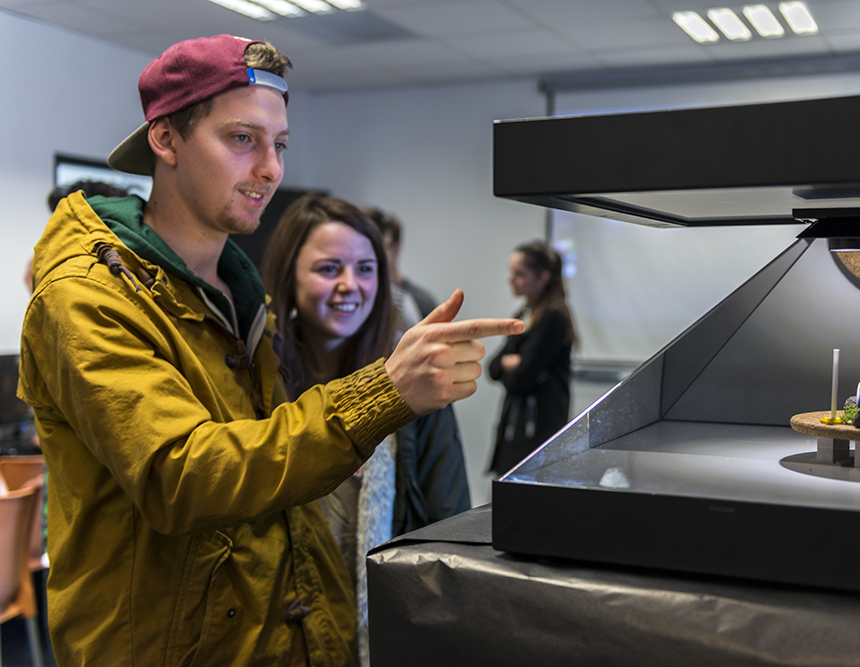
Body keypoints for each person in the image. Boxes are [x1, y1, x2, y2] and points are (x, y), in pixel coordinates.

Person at [17, 34, 521, 666]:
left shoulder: (235, 290)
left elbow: (274, 505)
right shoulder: (86, 300)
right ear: (165, 139)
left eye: (278, 144)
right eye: (242, 139)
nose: (270, 170)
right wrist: (382, 393)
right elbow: (185, 476)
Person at [262, 194, 470, 666]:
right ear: (289, 275)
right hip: (281, 631)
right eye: (329, 269)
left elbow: (448, 521)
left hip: (383, 631)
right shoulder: (258, 383)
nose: (349, 286)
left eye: (366, 269)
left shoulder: (417, 387)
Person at [488, 241, 576, 476]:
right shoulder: (524, 314)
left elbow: (520, 380)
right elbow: (493, 367)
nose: (510, 278)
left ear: (542, 278)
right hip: (516, 427)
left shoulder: (554, 318)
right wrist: (510, 364)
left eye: (519, 273)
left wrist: (516, 366)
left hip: (536, 431)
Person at [364, 206, 437, 329]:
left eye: (379, 248)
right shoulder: (358, 298)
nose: (371, 256)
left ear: (396, 247)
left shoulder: (417, 303)